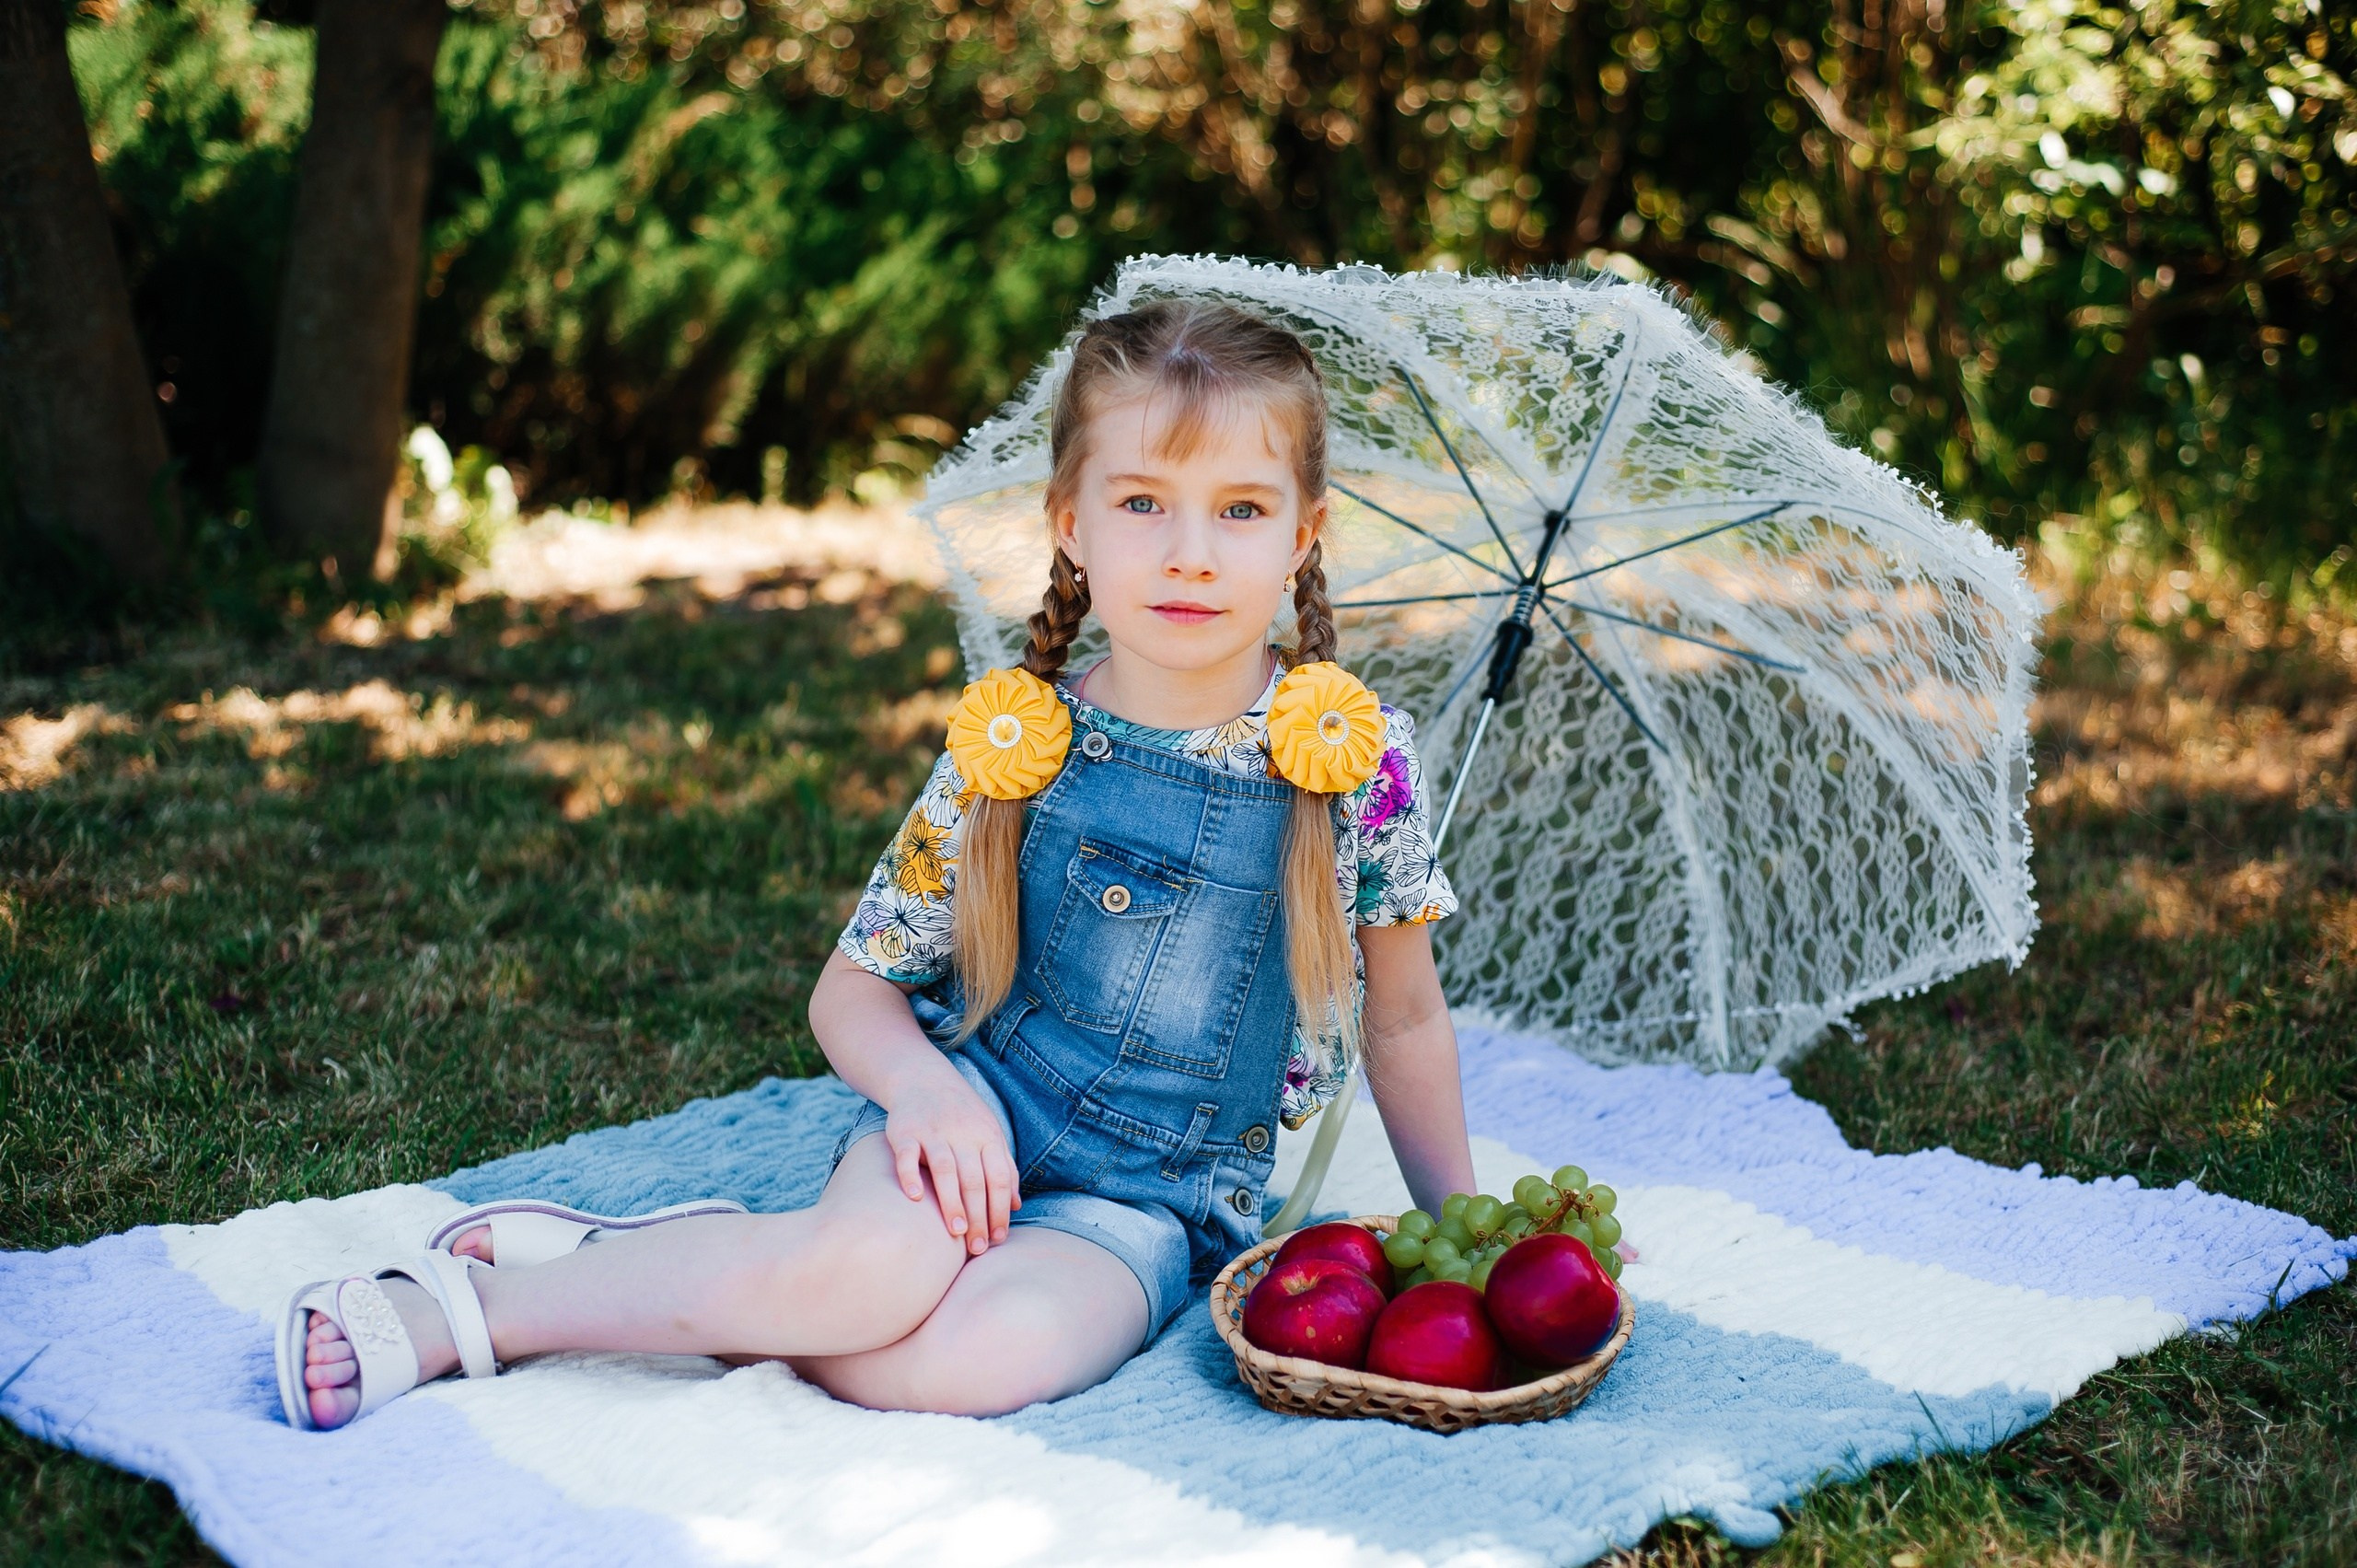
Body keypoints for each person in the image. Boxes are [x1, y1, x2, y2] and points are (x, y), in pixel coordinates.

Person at [283, 298, 1478, 1430]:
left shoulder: (1354, 765)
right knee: (855, 1280)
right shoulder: (1016, 741)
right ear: (1072, 522)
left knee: (967, 1361)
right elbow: (853, 989)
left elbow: (1409, 1020)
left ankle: (689, 1268)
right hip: (972, 1121)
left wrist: (1463, 1231)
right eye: (1143, 503)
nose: (1190, 555)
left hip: (1146, 1203)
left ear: (1304, 533)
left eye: (1241, 511)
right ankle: (471, 1313)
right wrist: (926, 1092)